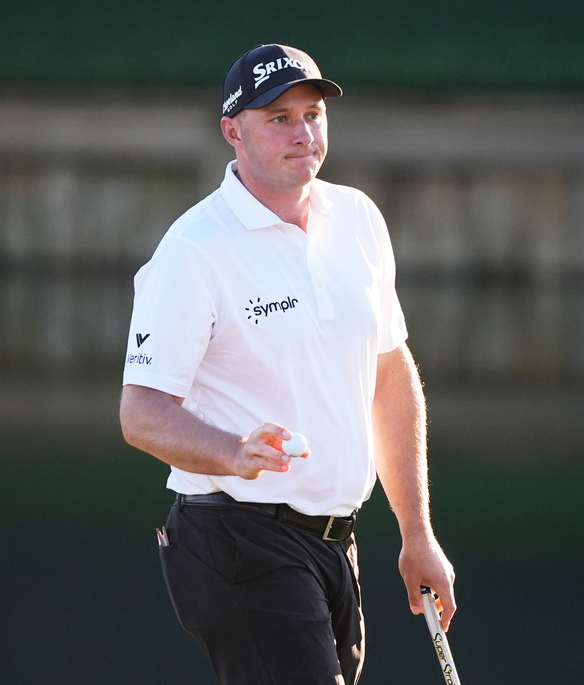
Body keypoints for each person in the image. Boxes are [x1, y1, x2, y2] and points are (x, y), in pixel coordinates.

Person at [120, 43, 455, 685]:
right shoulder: (193, 251)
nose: (303, 133)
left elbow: (389, 376)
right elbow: (141, 414)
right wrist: (230, 450)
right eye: (278, 118)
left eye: (312, 114)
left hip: (336, 542)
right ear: (232, 132)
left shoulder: (358, 218)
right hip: (235, 536)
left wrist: (418, 532)